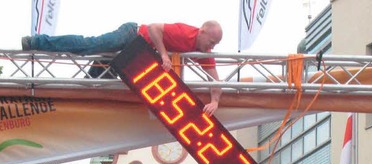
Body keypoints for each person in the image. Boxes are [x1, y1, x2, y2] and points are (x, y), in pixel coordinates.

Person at [22, 21, 224, 115]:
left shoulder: (202, 52)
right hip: (132, 35)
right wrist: (164, 54)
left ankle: (80, 88)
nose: (211, 47)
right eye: (212, 42)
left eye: (214, 45)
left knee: (96, 85)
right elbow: (154, 28)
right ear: (202, 31)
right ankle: (37, 41)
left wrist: (214, 101)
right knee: (89, 45)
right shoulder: (186, 32)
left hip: (137, 55)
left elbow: (216, 80)